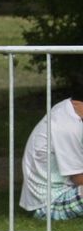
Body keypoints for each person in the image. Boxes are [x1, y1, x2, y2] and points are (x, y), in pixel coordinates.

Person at [17, 82, 83, 221]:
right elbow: (79, 179)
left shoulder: (66, 109)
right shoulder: (67, 127)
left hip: (63, 190)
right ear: (78, 103)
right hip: (49, 204)